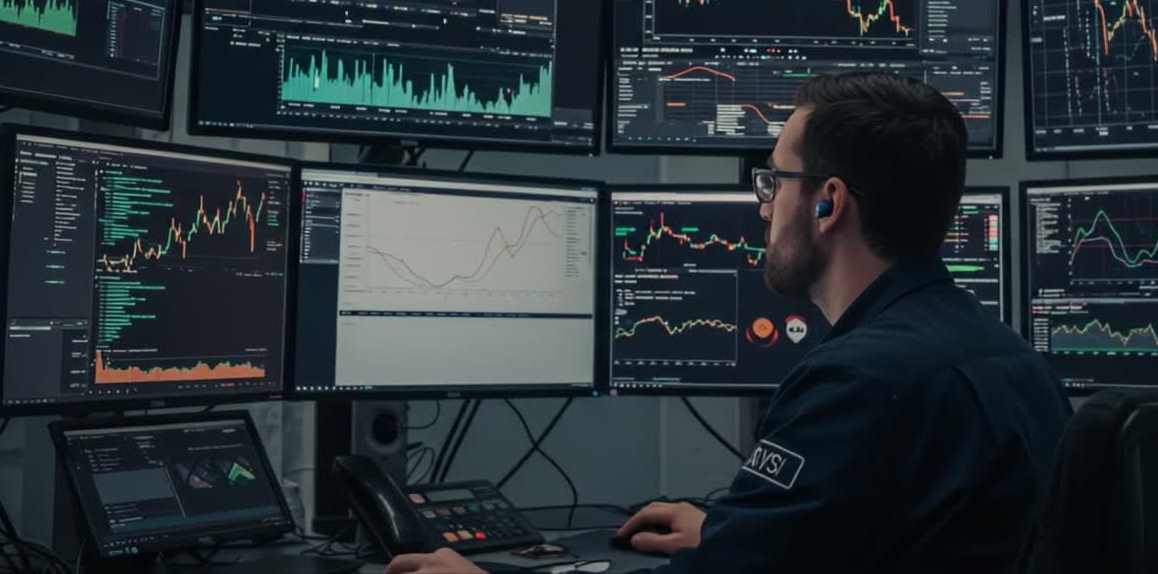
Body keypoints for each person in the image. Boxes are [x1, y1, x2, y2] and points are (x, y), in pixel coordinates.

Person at [386, 71, 1072, 574]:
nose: (763, 210)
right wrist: (733, 531)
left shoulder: (856, 382)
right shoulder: (1017, 363)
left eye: (774, 183)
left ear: (829, 203)